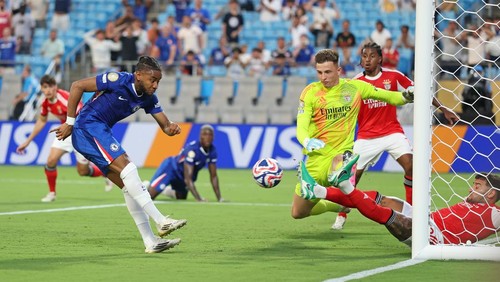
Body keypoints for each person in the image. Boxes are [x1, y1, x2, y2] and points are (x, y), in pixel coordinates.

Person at [51, 56, 187, 253]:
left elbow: (165, 125)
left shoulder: (149, 97)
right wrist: (70, 122)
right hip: (87, 126)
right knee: (128, 167)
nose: (156, 85)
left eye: (158, 81)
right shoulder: (118, 80)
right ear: (138, 75)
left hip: (100, 130)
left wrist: (171, 128)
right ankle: (161, 220)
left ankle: (150, 241)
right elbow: (77, 85)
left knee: (129, 187)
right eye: (153, 80)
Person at [291, 49, 414, 226]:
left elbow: (388, 96)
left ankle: (382, 202)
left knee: (343, 180)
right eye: (319, 72)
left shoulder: (354, 88)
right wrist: (306, 140)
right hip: (316, 161)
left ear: (338, 70)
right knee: (298, 212)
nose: (323, 77)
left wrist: (406, 96)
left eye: (328, 72)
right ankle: (336, 205)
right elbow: (301, 125)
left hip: (340, 157)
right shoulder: (310, 92)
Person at [298, 157, 500, 246]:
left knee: (392, 218)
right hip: (427, 219)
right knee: (383, 199)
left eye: (478, 186)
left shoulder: (494, 214)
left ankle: (343, 186)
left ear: (492, 194)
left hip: (433, 237)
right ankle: (318, 190)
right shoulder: (472, 202)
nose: (471, 188)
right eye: (473, 184)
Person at [15, 75, 110, 202]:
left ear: (55, 87)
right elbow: (42, 121)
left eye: (50, 87)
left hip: (81, 132)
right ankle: (52, 193)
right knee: (50, 161)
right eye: (44, 87)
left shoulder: (65, 98)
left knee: (83, 171)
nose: (48, 90)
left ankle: (106, 174)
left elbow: (81, 114)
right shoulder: (46, 103)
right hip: (65, 132)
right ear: (42, 89)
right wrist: (27, 141)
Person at [144, 124, 223, 202]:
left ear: (213, 137)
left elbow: (213, 176)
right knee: (150, 196)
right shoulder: (192, 150)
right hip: (171, 168)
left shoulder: (212, 151)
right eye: (205, 134)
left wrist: (219, 198)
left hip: (182, 175)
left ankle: (164, 190)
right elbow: (188, 179)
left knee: (181, 197)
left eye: (210, 135)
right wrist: (199, 198)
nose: (207, 137)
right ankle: (146, 186)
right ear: (200, 136)